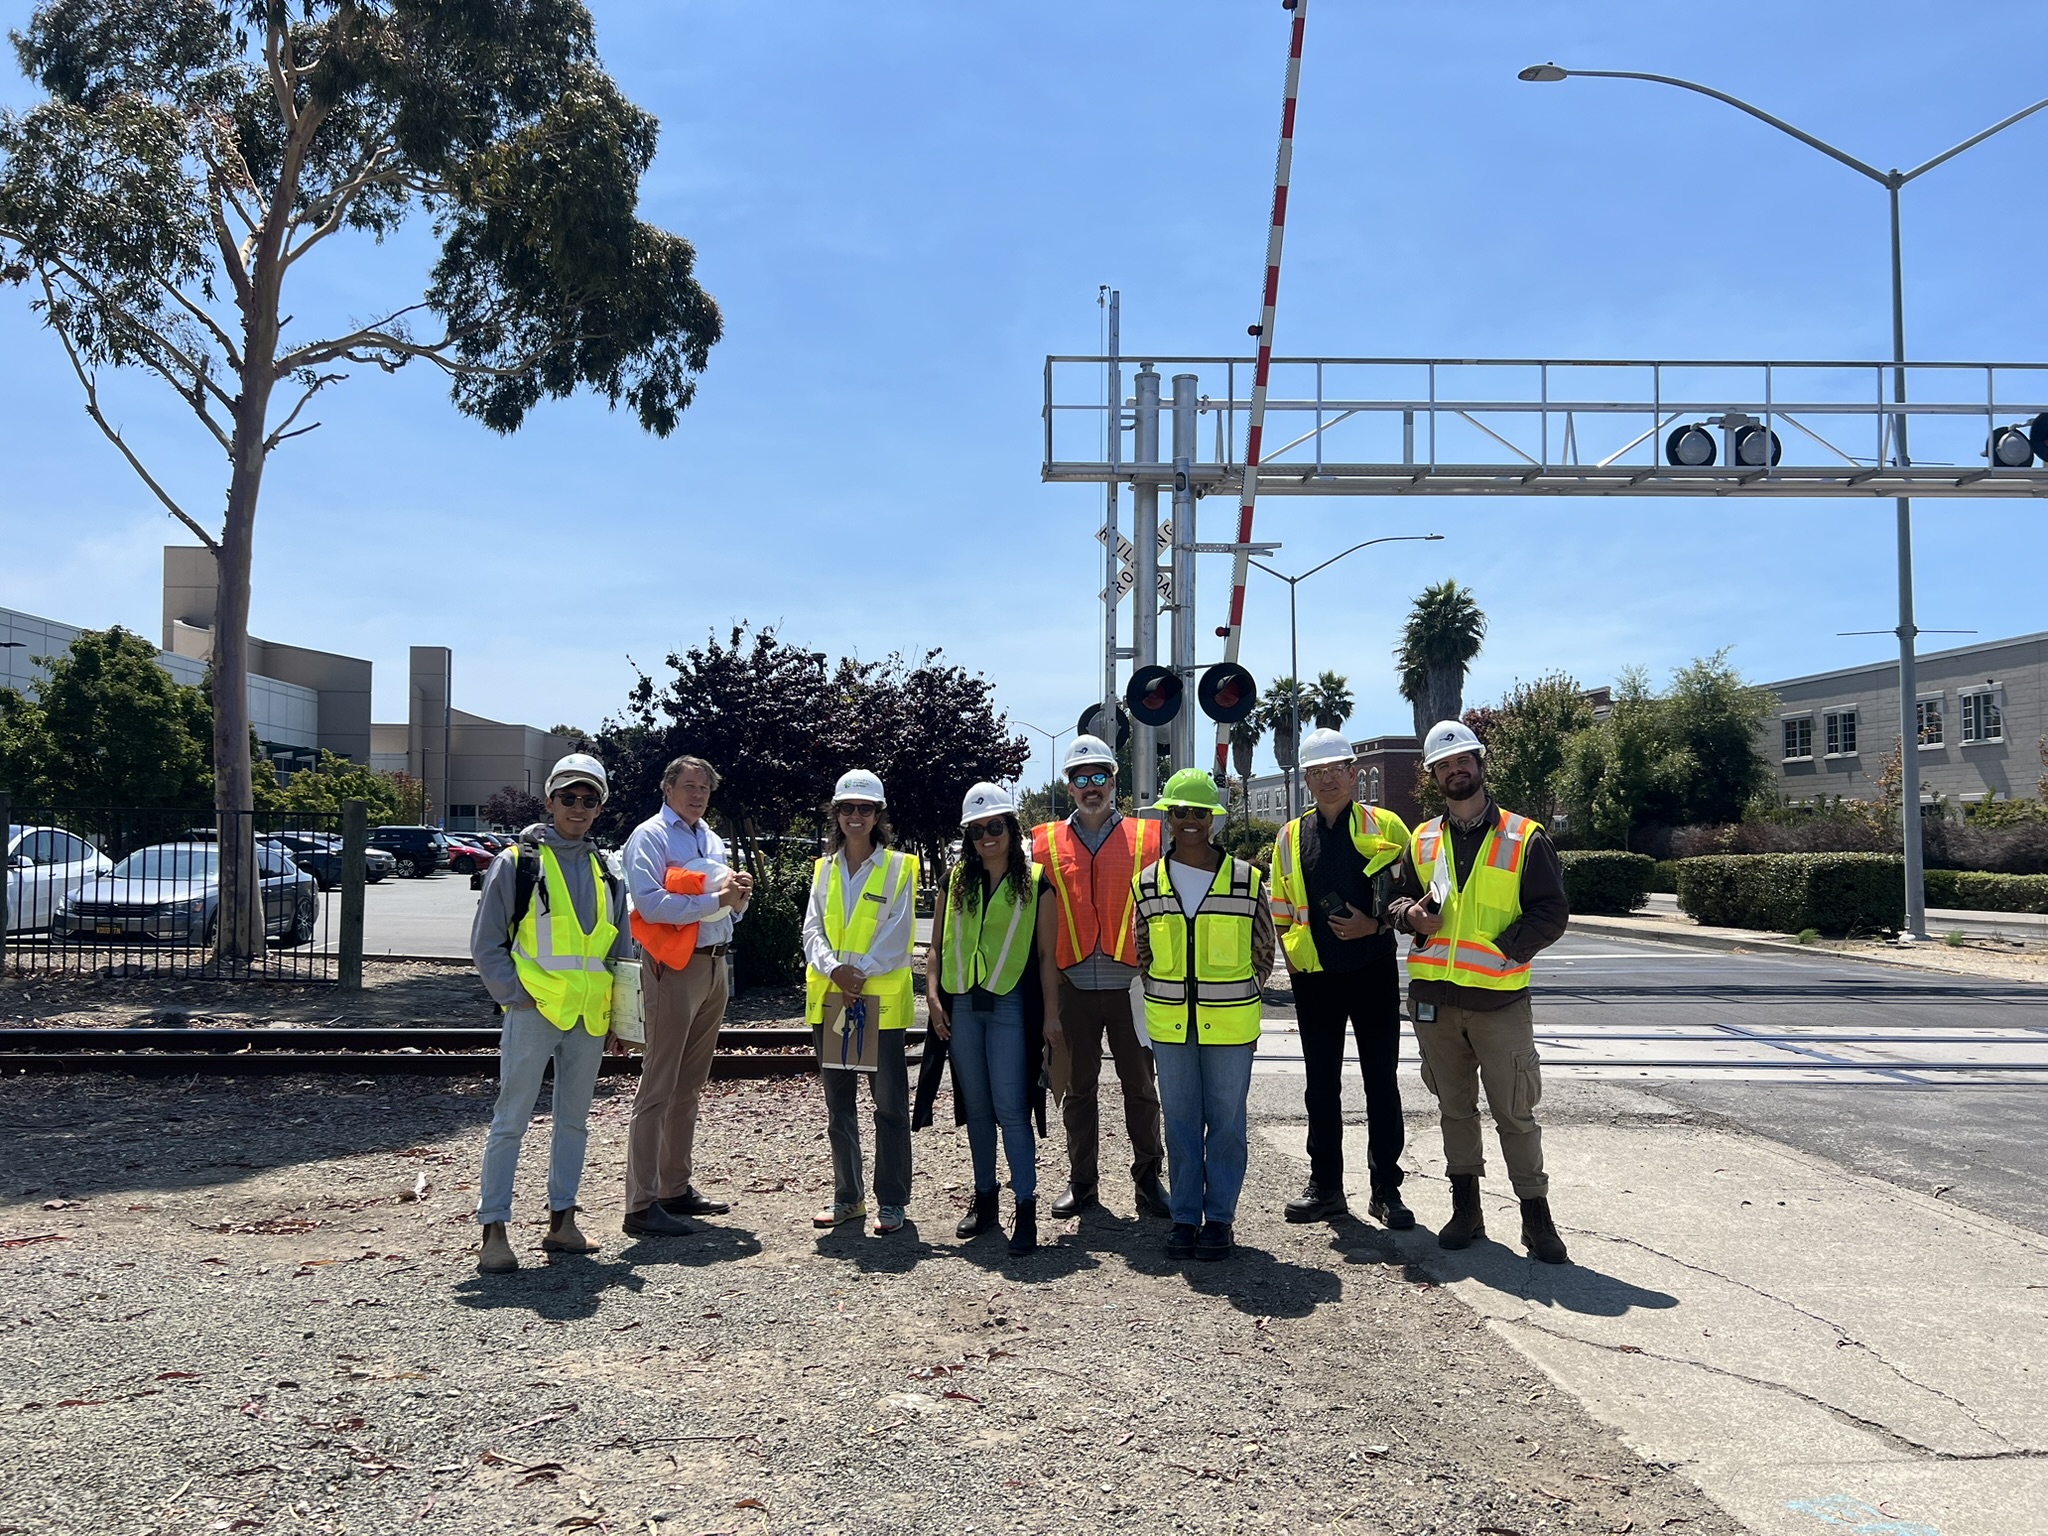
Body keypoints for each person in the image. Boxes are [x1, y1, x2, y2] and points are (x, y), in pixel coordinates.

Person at [1384, 720, 1572, 1264]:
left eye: (1463, 760)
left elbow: (1551, 911)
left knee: (1515, 1113)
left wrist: (1508, 950)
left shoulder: (1523, 835)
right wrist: (1409, 915)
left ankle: (1536, 1219)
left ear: (1481, 765)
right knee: (1455, 1111)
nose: (1455, 770)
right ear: (1434, 776)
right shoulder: (1421, 840)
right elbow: (1396, 901)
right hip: (1435, 1003)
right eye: (1444, 765)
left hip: (1499, 1002)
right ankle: (1466, 1209)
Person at [468, 753, 634, 1274]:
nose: (578, 808)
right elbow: (487, 943)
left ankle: (562, 1223)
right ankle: (494, 1229)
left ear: (600, 806)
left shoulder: (609, 869)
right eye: (569, 798)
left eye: (589, 800)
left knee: (573, 1124)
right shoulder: (518, 862)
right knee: (511, 1120)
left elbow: (618, 952)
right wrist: (515, 996)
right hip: (534, 1010)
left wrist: (620, 1020)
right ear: (550, 801)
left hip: (588, 1016)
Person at [1267, 728, 1415, 1230]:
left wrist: (1372, 925)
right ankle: (1326, 1187)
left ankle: (1386, 1189)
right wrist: (1292, 960)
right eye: (1317, 771)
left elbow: (1412, 898)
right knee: (1320, 1086)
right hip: (1315, 979)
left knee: (1381, 1082)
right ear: (1306, 778)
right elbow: (1281, 908)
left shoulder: (1389, 825)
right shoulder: (1289, 836)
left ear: (1353, 773)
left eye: (1336, 770)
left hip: (1373, 971)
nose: (1328, 778)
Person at [1133, 768, 1276, 1263]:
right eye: (1179, 812)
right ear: (1167, 818)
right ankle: (1184, 1217)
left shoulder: (1247, 880)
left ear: (1212, 818)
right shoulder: (1146, 885)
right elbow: (1143, 953)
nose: (1189, 821)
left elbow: (1264, 955)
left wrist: (1240, 996)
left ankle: (1219, 1220)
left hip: (1231, 1026)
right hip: (1172, 1027)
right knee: (1180, 1123)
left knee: (1228, 1124)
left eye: (1199, 812)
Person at [1031, 734, 1171, 1221]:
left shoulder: (1149, 836)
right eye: (1080, 778)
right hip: (1072, 986)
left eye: (1099, 777)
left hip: (1132, 985)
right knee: (1078, 1089)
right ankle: (1082, 1182)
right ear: (1068, 785)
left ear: (1115, 780)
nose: (1091, 786)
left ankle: (1149, 1179)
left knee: (1141, 1086)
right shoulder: (1043, 841)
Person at [620, 754, 754, 1239]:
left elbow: (724, 905)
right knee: (658, 1084)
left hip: (715, 963)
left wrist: (737, 898)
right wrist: (716, 901)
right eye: (689, 786)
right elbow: (650, 902)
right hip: (673, 969)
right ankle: (639, 1205)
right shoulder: (651, 836)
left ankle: (674, 1187)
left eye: (704, 787)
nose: (698, 795)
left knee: (690, 1083)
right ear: (668, 788)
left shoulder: (709, 838)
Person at [925, 783, 1044, 1256]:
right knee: (976, 1109)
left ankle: (1027, 1207)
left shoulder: (1036, 881)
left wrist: (1051, 1020)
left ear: (1011, 829)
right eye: (977, 831)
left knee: (1012, 1110)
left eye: (995, 827)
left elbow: (1043, 957)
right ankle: (985, 1199)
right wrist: (933, 996)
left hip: (1010, 1005)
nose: (986, 837)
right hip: (962, 1006)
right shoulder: (956, 880)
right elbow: (935, 945)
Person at [802, 770, 921, 1236]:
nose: (856, 816)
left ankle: (891, 1200)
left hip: (879, 1005)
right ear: (837, 813)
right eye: (848, 808)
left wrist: (858, 972)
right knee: (840, 1106)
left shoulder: (898, 868)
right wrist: (835, 969)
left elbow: (899, 932)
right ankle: (847, 1197)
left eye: (865, 808)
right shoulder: (824, 870)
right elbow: (812, 928)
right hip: (835, 1002)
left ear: (878, 815)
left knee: (889, 1106)